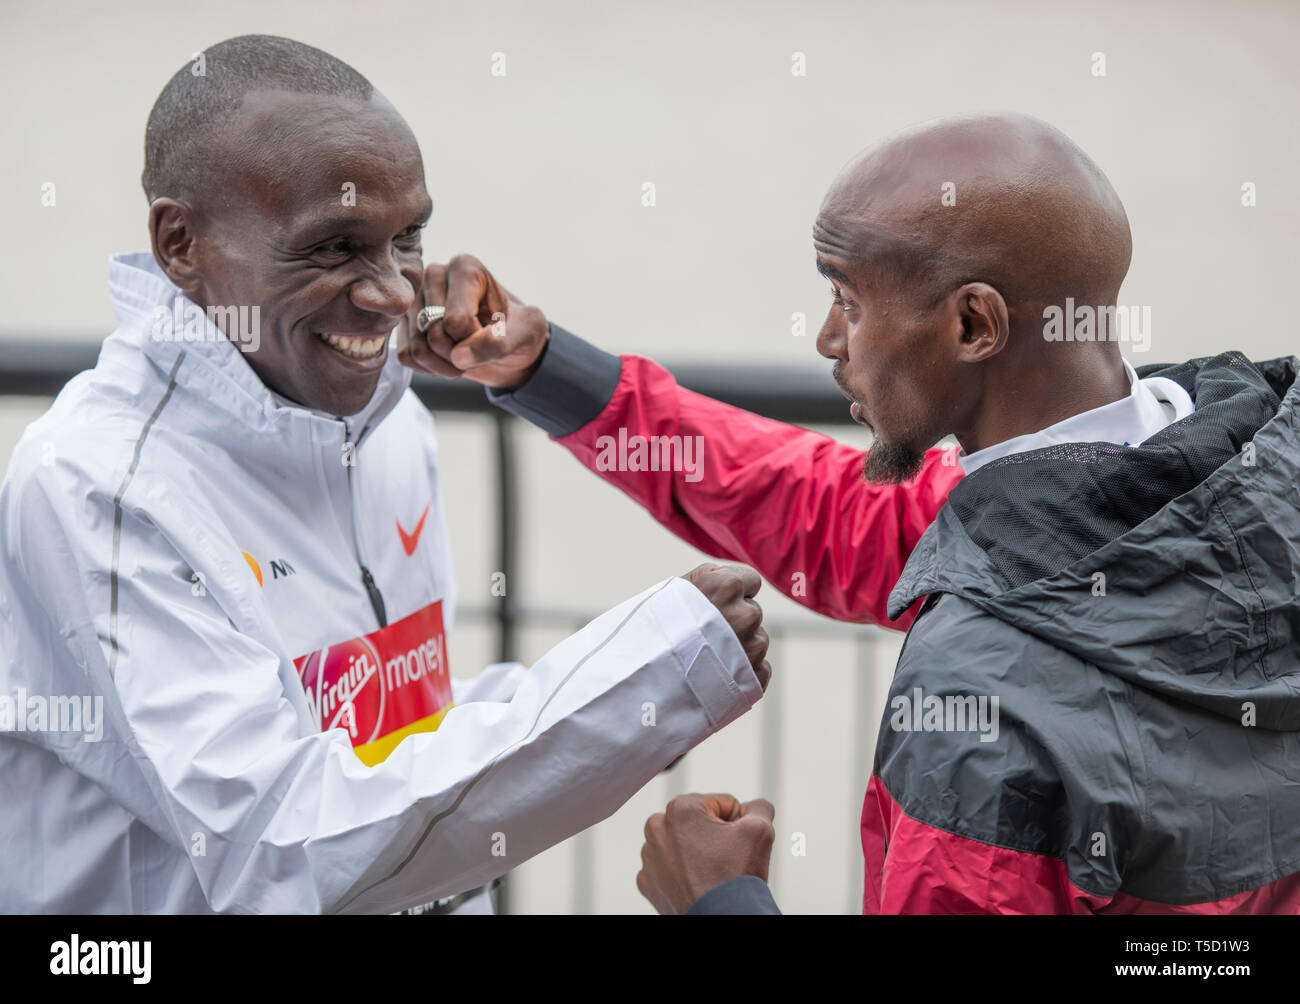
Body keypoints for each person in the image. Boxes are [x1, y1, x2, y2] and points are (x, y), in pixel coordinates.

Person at [410, 113, 1300, 914]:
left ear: (974, 326)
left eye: (846, 298)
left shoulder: (983, 699)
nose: (828, 341)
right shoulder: (1240, 476)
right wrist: (546, 370)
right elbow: (824, 509)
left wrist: (720, 903)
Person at [0, 34, 776, 914]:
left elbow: (394, 739)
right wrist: (637, 679)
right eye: (335, 248)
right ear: (182, 242)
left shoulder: (385, 416)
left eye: (408, 236)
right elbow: (280, 850)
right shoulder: (96, 486)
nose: (397, 293)